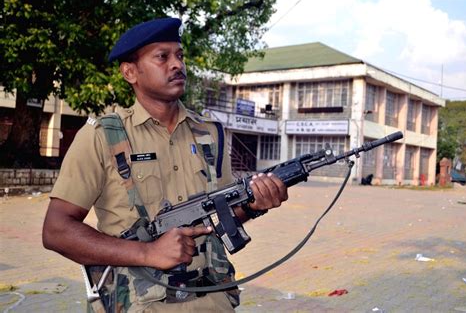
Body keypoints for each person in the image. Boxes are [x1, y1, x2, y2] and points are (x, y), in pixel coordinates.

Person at [42, 17, 288, 312]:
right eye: (163, 57)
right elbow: (56, 230)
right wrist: (148, 252)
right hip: (139, 303)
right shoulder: (102, 137)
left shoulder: (210, 133)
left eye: (180, 56)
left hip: (212, 298)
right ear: (130, 72)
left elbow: (221, 213)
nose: (177, 65)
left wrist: (254, 204)